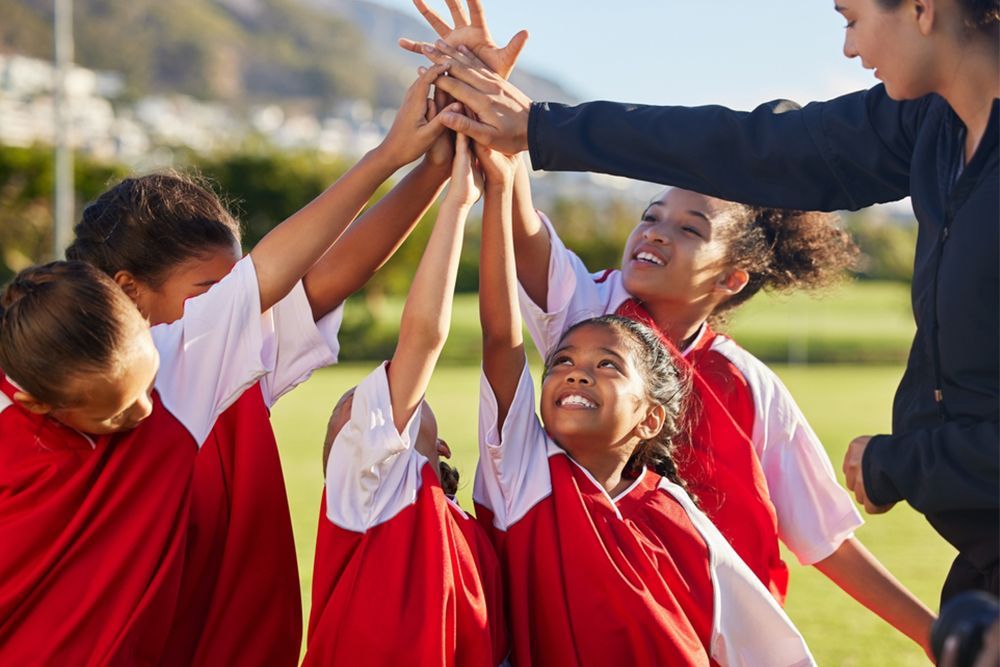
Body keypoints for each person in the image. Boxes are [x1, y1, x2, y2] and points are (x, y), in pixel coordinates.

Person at [411, 0, 1000, 603]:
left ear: (924, 9)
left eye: (850, 19)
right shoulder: (591, 318)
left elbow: (821, 538)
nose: (849, 49)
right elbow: (755, 149)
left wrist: (906, 465)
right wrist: (518, 124)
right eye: (651, 215)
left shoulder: (749, 385)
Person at [63, 65, 457, 665]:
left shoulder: (226, 371)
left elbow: (322, 282)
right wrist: (387, 156)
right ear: (130, 292)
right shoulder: (165, 363)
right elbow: (272, 275)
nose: (244, 302)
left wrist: (433, 170)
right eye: (211, 288)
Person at [472, 136, 814, 666]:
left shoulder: (679, 511)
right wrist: (502, 158)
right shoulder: (523, 470)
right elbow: (501, 329)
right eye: (562, 360)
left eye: (689, 227)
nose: (578, 373)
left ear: (653, 416)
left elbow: (774, 643)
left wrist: (928, 631)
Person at [303, 134, 508, 666]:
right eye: (343, 422)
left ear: (437, 448)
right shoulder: (366, 490)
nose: (356, 413)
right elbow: (422, 336)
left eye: (348, 409)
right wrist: (457, 205)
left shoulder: (468, 529)